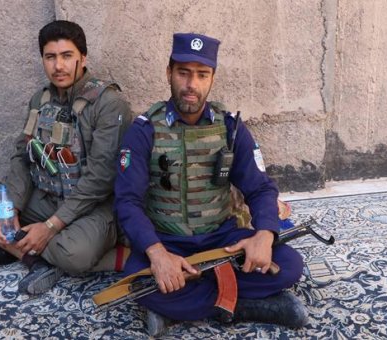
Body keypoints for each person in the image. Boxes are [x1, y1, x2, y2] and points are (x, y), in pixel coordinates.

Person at [114, 33, 307, 336]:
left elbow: (260, 187)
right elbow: (127, 201)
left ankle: (185, 301)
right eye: (183, 73)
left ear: (212, 78)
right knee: (136, 282)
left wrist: (265, 235)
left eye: (202, 75)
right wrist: (158, 255)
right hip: (169, 241)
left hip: (222, 239)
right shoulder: (144, 130)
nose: (192, 84)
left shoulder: (229, 127)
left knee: (290, 264)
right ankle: (246, 304)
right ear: (169, 73)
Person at [0, 20, 132, 295]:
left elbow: (101, 179)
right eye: (50, 57)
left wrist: (50, 227)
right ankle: (34, 255)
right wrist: (11, 209)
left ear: (83, 58)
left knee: (76, 255)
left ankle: (23, 248)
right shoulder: (40, 100)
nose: (58, 66)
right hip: (45, 197)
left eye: (67, 56)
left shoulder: (109, 104)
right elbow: (22, 156)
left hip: (92, 207)